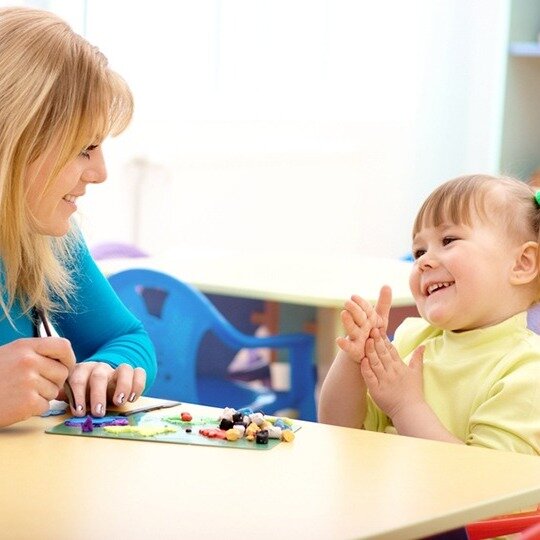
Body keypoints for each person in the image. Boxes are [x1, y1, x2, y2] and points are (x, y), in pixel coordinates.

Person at [0, 7, 157, 428]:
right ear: (14, 141)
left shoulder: (45, 238)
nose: (100, 173)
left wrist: (107, 368)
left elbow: (126, 337)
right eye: (83, 148)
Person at [318, 174, 540, 455]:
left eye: (448, 240)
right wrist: (353, 360)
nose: (423, 261)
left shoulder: (528, 369)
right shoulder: (411, 339)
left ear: (522, 264)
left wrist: (406, 407)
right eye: (419, 251)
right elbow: (337, 430)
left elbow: (486, 476)